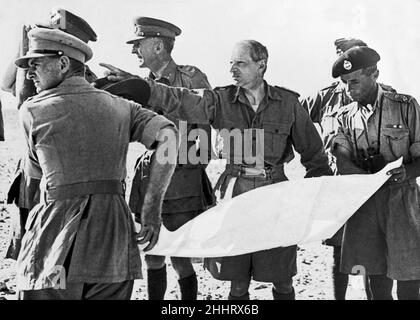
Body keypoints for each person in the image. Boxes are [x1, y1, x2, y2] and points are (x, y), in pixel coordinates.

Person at [103, 39, 333, 300]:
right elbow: (182, 99)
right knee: (237, 282)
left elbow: (315, 155)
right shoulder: (221, 100)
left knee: (281, 279)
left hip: (275, 195)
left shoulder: (288, 103)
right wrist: (143, 86)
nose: (233, 70)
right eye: (231, 63)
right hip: (235, 195)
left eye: (241, 63)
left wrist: (319, 196)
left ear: (261, 65)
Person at [14, 27, 178, 300]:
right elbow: (169, 137)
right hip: (112, 242)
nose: (31, 73)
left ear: (63, 63)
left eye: (36, 64)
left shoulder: (32, 111)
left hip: (57, 242)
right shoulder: (123, 107)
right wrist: (151, 209)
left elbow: (35, 178)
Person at [100, 17, 215, 300]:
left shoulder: (191, 78)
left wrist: (141, 89)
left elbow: (198, 122)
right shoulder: (144, 83)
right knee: (153, 253)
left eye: (138, 45)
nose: (133, 51)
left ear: (158, 46)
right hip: (151, 175)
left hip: (183, 179)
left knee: (180, 256)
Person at [300, 37, 395, 300]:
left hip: (374, 186)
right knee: (341, 252)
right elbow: (292, 121)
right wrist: (313, 165)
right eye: (339, 55)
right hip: (336, 186)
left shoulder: (387, 95)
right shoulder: (324, 96)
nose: (343, 60)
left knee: (376, 252)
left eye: (349, 55)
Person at [3, 8, 98, 261]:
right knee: (30, 246)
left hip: (59, 173)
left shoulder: (83, 78)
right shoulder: (36, 68)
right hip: (31, 171)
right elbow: (7, 84)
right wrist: (23, 46)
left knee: (58, 249)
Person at [332, 45, 420, 300]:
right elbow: (341, 158)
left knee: (408, 273)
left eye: (355, 81)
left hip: (402, 201)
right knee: (375, 275)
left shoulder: (405, 106)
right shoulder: (345, 117)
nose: (350, 90)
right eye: (346, 83)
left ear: (375, 73)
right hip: (365, 201)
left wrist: (407, 171)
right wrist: (366, 179)